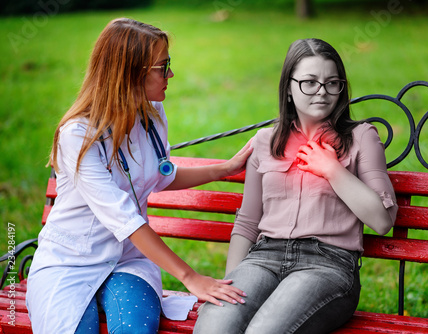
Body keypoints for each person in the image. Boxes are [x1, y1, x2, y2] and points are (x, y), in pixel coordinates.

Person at [26, 18, 250, 334]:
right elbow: (124, 219)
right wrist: (191, 277)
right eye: (163, 66)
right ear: (131, 73)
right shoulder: (77, 136)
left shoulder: (153, 114)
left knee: (135, 328)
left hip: (129, 261)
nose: (170, 74)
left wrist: (225, 168)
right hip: (70, 263)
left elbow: (160, 176)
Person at [193, 38, 398, 334]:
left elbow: (382, 221)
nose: (322, 92)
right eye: (310, 82)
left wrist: (332, 170)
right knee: (215, 328)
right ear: (289, 88)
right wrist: (230, 284)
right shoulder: (266, 141)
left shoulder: (361, 136)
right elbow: (248, 223)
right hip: (263, 259)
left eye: (332, 83)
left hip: (328, 265)